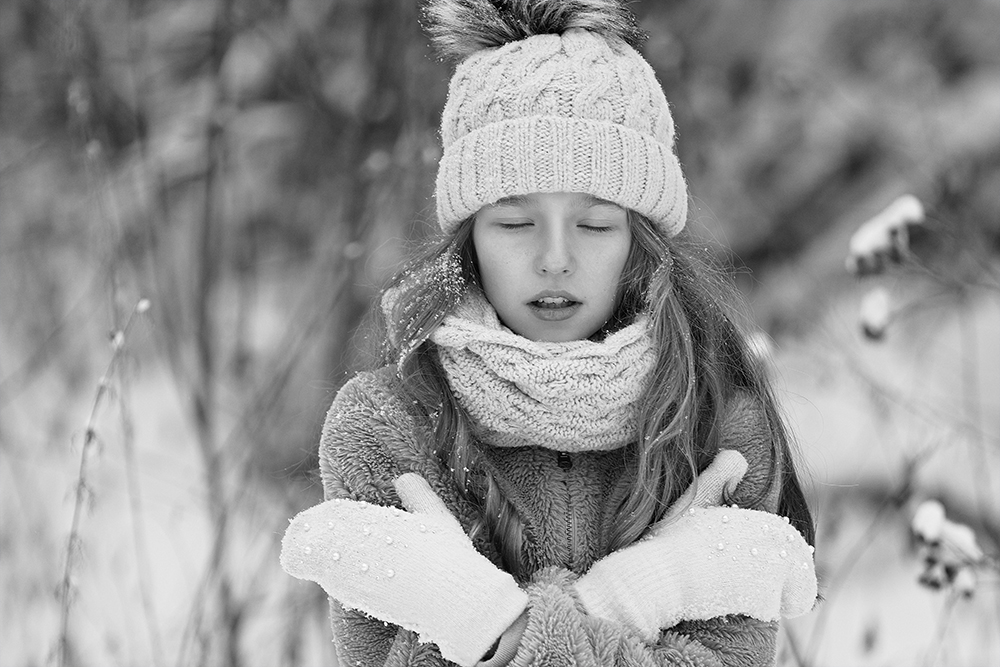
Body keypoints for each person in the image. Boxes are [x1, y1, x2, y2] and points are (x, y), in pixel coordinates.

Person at [281, 2, 818, 666]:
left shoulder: (719, 429)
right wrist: (618, 613)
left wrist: (505, 630)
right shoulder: (386, 426)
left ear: (640, 241)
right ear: (469, 238)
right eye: (514, 223)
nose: (555, 257)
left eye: (594, 224)